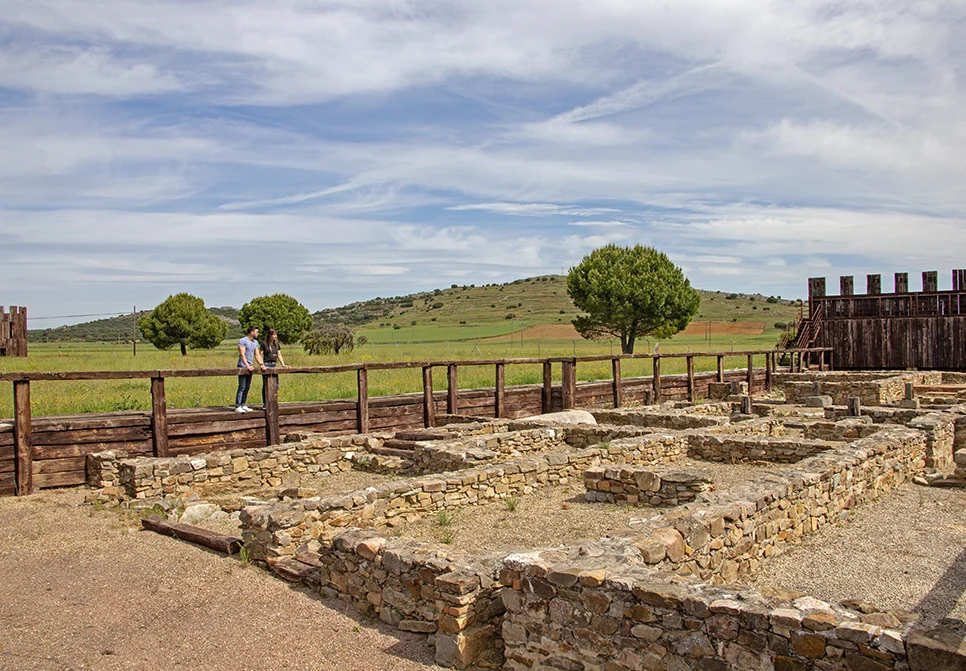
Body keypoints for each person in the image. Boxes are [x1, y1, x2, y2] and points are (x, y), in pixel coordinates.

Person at [235, 325, 264, 412]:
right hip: (243, 366)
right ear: (251, 332)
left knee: (247, 387)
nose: (257, 333)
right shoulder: (243, 341)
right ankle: (238, 405)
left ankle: (243, 404)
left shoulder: (255, 342)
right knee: (242, 387)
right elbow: (242, 355)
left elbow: (257, 354)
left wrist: (261, 364)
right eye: (256, 332)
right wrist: (247, 365)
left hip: (250, 367)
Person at [261, 328, 286, 405]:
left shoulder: (276, 344)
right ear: (270, 335)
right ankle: (265, 403)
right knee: (266, 385)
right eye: (274, 335)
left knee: (276, 385)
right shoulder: (264, 344)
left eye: (276, 334)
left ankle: (273, 402)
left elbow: (279, 354)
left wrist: (283, 364)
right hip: (267, 364)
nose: (275, 336)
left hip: (274, 364)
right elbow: (260, 354)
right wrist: (261, 364)